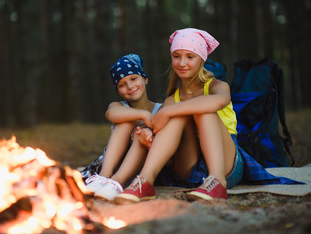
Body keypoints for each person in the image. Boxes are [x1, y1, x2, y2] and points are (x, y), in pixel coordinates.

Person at [114, 28, 303, 204]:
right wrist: (149, 134)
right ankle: (145, 182)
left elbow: (218, 102)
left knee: (202, 109)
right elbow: (160, 134)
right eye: (176, 56)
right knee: (179, 115)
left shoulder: (216, 86)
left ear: (201, 59)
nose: (182, 63)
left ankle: (217, 182)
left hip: (225, 162)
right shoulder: (172, 99)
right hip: (189, 166)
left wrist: (167, 111)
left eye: (190, 56)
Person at [83, 53, 162, 201]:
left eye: (133, 79)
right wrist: (144, 115)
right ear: (117, 90)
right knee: (127, 120)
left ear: (145, 79)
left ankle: (117, 182)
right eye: (122, 84)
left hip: (143, 167)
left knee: (142, 133)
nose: (130, 86)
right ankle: (103, 176)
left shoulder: (161, 109)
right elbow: (111, 113)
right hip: (114, 166)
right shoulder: (118, 106)